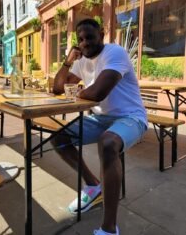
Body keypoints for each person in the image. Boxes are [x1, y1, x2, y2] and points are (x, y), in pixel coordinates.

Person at [52, 18, 147, 235]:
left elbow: (97, 92)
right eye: (81, 39)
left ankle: (109, 228)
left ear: (102, 34)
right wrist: (67, 62)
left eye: (90, 37)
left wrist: (74, 91)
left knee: (107, 142)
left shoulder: (115, 53)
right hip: (101, 118)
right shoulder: (80, 60)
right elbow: (57, 89)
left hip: (131, 117)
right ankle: (93, 186)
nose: (85, 43)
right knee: (58, 137)